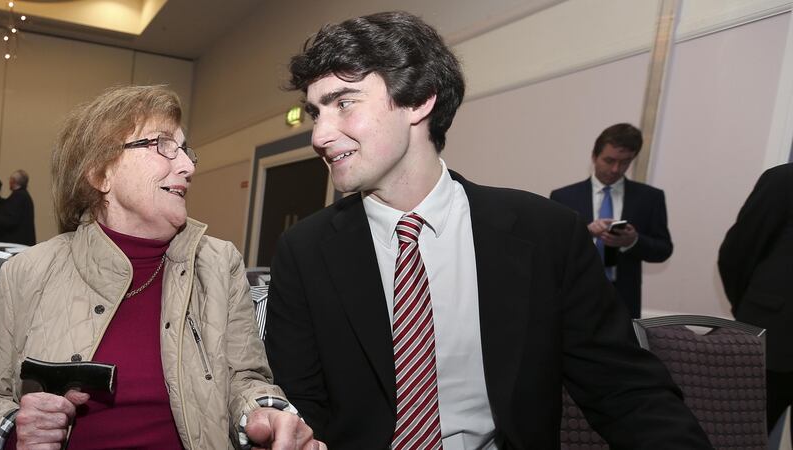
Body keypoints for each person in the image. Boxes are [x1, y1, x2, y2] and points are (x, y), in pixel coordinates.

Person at [265, 11, 710, 449]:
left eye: (343, 103)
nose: (320, 135)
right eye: (314, 113)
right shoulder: (303, 251)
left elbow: (625, 392)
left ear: (419, 100)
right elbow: (301, 405)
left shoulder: (546, 234)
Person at [0, 86, 323, 450]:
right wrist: (14, 431)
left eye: (184, 150)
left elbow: (245, 379)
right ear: (100, 174)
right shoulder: (26, 273)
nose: (187, 165)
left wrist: (262, 414)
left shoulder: (218, 264)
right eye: (164, 145)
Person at [550, 124, 672, 318]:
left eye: (625, 162)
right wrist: (585, 232)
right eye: (609, 160)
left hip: (623, 299)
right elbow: (551, 249)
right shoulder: (563, 197)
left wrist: (632, 241)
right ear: (594, 156)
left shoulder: (650, 197)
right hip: (574, 296)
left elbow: (663, 249)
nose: (615, 169)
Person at [718, 162, 793, 442]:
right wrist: (752, 312)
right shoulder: (784, 180)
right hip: (769, 345)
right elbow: (736, 254)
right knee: (741, 440)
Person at [0, 170, 35, 246]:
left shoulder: (18, 196)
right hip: (21, 242)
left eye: (10, 179)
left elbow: (11, 220)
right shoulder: (23, 195)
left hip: (17, 243)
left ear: (13, 181)